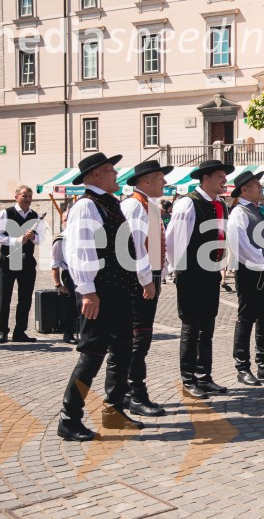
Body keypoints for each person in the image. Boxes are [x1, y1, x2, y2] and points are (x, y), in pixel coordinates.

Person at [57, 153, 143, 442]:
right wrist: (88, 291)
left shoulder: (109, 203)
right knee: (92, 354)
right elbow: (80, 250)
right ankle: (69, 419)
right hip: (100, 291)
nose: (116, 174)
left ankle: (114, 411)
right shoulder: (86, 206)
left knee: (122, 349)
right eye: (110, 170)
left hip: (117, 290)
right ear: (95, 175)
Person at [166, 159, 234, 400]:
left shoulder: (220, 204)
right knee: (191, 327)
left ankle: (204, 376)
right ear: (205, 178)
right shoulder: (188, 203)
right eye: (219, 176)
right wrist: (177, 270)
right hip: (191, 273)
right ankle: (189, 379)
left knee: (207, 326)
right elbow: (174, 239)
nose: (224, 180)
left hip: (210, 271)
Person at [120, 159, 173, 416]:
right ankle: (134, 394)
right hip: (137, 280)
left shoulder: (147, 205)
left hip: (148, 275)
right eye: (160, 177)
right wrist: (146, 279)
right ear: (145, 181)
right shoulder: (134, 205)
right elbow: (133, 246)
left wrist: (160, 272)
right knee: (138, 339)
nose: (164, 182)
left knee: (141, 338)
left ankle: (128, 392)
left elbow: (152, 244)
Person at [227, 170, 264, 386]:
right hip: (250, 272)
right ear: (244, 189)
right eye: (256, 184)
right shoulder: (239, 212)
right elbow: (241, 245)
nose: (260, 187)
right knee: (246, 317)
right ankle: (242, 367)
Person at [0, 185, 45, 344]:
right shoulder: (5, 213)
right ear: (16, 197)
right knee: (5, 297)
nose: (28, 199)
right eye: (24, 196)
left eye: (30, 196)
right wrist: (15, 240)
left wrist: (33, 236)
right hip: (8, 260)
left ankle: (20, 332)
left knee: (25, 298)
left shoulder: (35, 216)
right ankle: (3, 332)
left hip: (27, 261)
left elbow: (41, 239)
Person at [51, 210, 77, 344]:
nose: (68, 222)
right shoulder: (60, 239)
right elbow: (55, 264)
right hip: (69, 274)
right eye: (65, 220)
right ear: (62, 222)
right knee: (72, 304)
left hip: (85, 273)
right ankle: (68, 333)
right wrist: (58, 285)